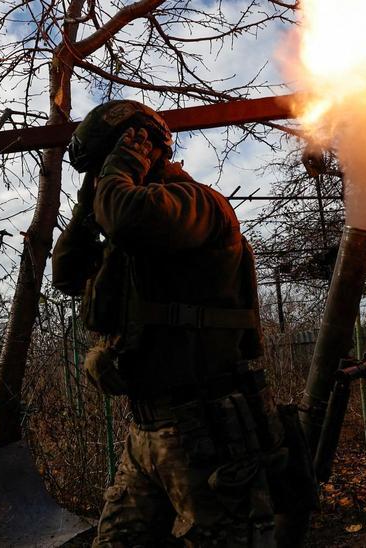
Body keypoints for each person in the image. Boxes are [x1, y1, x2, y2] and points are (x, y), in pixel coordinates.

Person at [52, 100, 285, 547]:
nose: (101, 181)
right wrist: (86, 207)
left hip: (205, 429)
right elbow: (66, 274)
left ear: (143, 149)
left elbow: (128, 217)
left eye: (107, 167)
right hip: (147, 431)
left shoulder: (192, 203)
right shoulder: (130, 231)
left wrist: (122, 167)